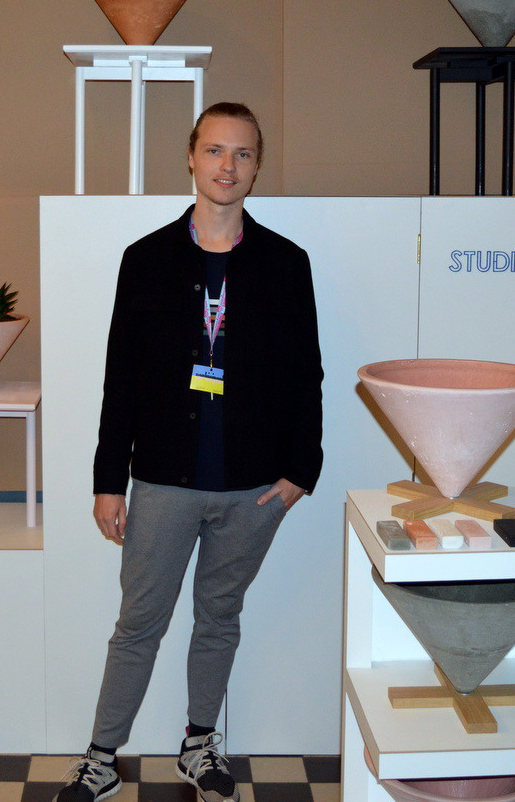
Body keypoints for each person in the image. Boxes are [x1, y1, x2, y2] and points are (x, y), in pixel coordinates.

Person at [55, 102, 324, 802]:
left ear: (257, 166)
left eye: (242, 153)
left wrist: (302, 471)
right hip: (163, 482)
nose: (227, 166)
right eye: (215, 150)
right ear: (191, 157)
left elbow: (307, 374)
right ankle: (101, 758)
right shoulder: (145, 260)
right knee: (137, 625)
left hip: (252, 489)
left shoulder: (286, 264)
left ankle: (199, 745)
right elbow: (120, 376)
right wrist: (108, 480)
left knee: (219, 618)